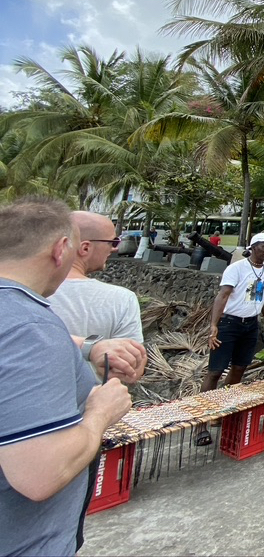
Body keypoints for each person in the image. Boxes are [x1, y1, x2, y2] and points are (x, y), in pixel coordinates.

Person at [0, 197, 132, 556]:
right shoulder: (32, 327)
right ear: (62, 251)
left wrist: (88, 347)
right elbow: (40, 474)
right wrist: (100, 413)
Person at [195, 232, 264, 446]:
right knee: (215, 371)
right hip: (230, 323)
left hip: (250, 324)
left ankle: (222, 410)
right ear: (253, 247)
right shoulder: (236, 269)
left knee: (239, 369)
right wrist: (214, 325)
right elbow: (222, 296)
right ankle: (201, 422)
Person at [48, 211, 144, 344]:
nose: (114, 248)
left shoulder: (26, 290)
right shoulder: (121, 300)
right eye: (113, 242)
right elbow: (130, 361)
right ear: (85, 248)